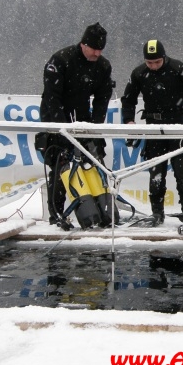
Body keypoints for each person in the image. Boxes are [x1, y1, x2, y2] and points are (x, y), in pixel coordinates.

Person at [121, 39, 183, 226]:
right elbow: (128, 99)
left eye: (157, 62)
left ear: (164, 57)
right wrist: (129, 120)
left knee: (182, 171)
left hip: (178, 125)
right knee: (156, 173)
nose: (153, 66)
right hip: (154, 127)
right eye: (149, 63)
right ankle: (157, 213)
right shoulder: (139, 73)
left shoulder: (178, 68)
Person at [39, 22, 114, 225]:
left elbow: (102, 99)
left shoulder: (103, 66)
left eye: (101, 50)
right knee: (61, 163)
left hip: (82, 115)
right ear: (84, 44)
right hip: (56, 113)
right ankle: (56, 214)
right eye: (94, 49)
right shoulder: (61, 60)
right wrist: (62, 129)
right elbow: (51, 97)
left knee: (94, 159)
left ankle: (102, 212)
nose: (97, 53)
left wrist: (95, 128)